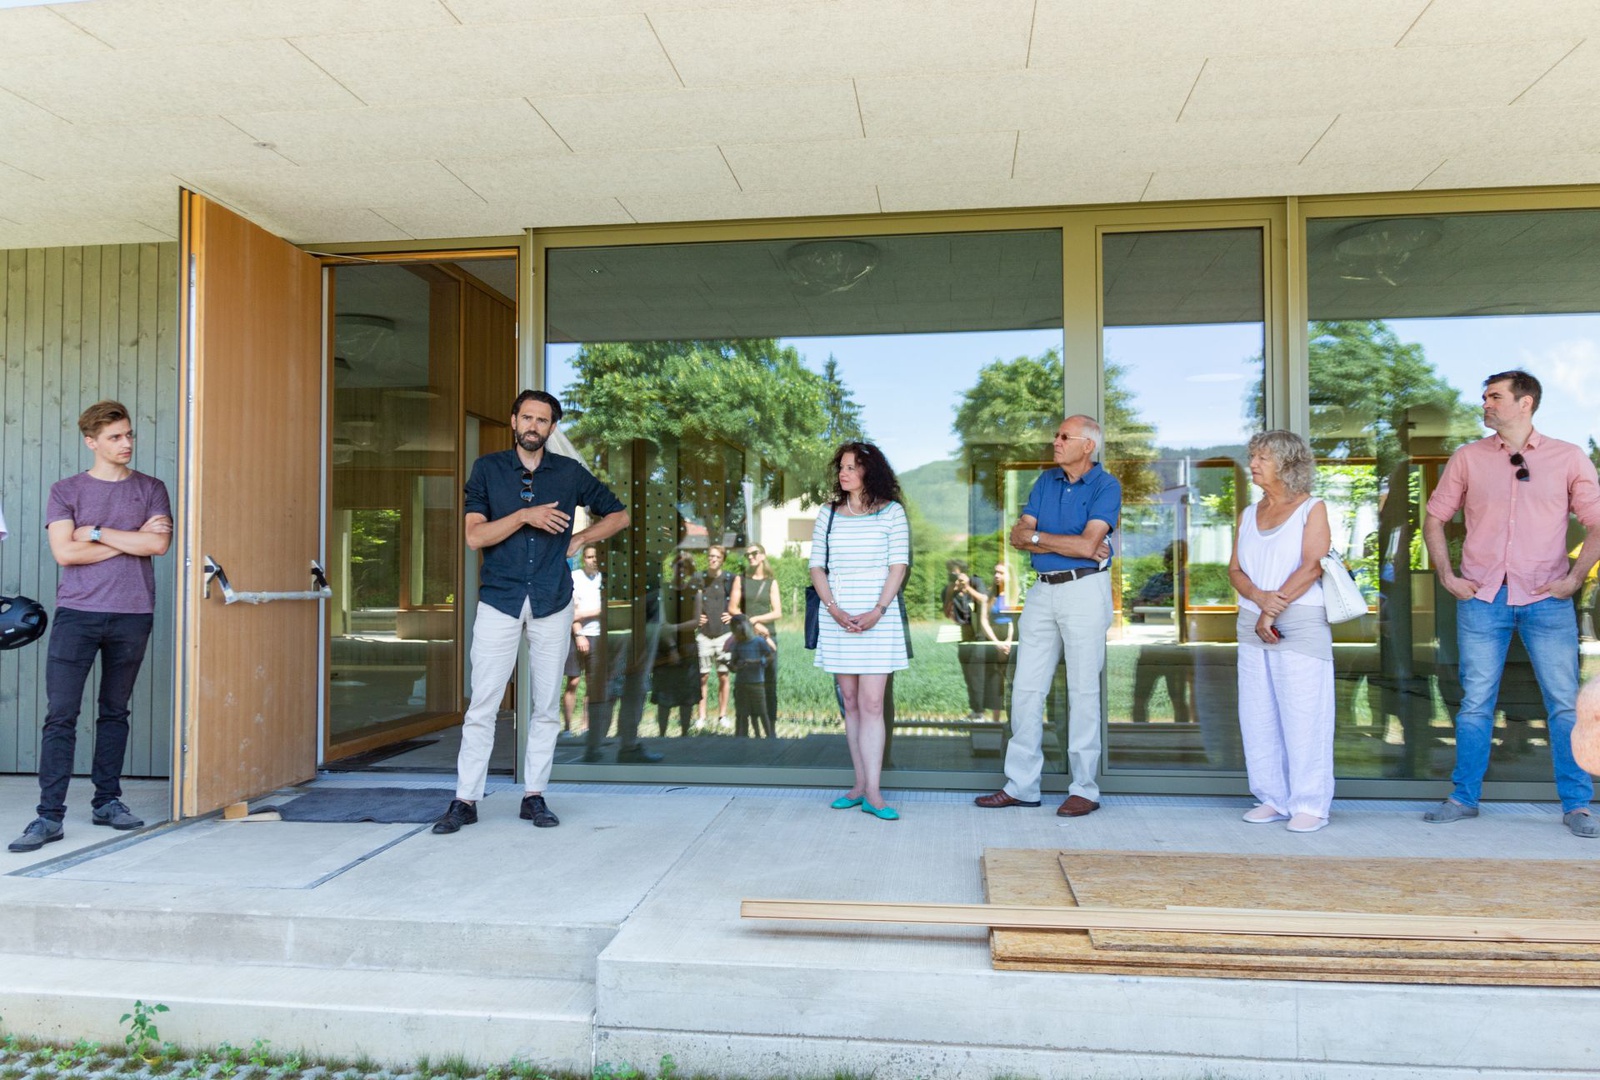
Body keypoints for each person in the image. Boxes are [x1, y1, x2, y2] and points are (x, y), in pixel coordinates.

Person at [433, 390, 630, 836]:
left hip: (552, 601)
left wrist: (581, 539)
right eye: (527, 417)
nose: (533, 426)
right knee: (483, 704)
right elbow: (475, 537)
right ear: (513, 421)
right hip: (499, 600)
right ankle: (465, 800)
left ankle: (534, 796)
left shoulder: (569, 473)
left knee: (545, 705)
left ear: (552, 428)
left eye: (543, 420)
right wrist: (525, 516)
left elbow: (618, 515)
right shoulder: (488, 469)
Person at [1421, 370, 1600, 838]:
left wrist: (1575, 578)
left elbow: (1597, 523)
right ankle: (1463, 798)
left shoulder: (1568, 457)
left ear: (1526, 403)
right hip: (1482, 599)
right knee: (1475, 704)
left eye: (1495, 396)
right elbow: (1434, 519)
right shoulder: (1468, 458)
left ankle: (1578, 805)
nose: (1485, 404)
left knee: (1564, 705)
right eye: (1485, 396)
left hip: (1547, 600)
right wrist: (1448, 576)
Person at [10, 401, 172, 854]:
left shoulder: (151, 488)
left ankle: (107, 802)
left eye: (129, 434)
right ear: (91, 442)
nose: (126, 443)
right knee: (61, 715)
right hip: (77, 615)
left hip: (133, 613)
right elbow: (65, 553)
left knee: (115, 711)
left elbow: (159, 544)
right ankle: (49, 816)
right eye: (115, 437)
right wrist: (132, 539)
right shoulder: (66, 490)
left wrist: (96, 532)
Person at [976, 415, 1119, 817]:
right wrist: (1059, 542)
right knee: (1025, 689)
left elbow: (1089, 545)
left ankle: (1085, 789)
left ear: (1088, 445)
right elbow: (1018, 536)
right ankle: (1021, 786)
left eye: (1064, 436)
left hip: (1085, 590)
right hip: (1042, 591)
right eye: (1056, 435)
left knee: (1083, 690)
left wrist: (1041, 539)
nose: (1055, 441)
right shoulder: (1045, 481)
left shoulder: (1107, 486)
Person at [1228, 430, 1336, 833]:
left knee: (1305, 714)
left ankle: (1310, 804)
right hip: (1252, 621)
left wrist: (1271, 609)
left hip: (1299, 621)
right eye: (1253, 456)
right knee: (1258, 716)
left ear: (1288, 464)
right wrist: (1259, 599)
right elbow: (1235, 570)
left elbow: (1312, 566)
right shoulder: (1247, 514)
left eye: (1263, 458)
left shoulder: (1312, 509)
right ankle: (1272, 798)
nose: (1253, 464)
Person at [810, 442, 910, 820]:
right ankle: (858, 786)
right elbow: (817, 567)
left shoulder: (892, 512)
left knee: (871, 704)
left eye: (852, 467)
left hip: (877, 615)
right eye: (842, 466)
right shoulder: (828, 513)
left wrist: (878, 610)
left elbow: (898, 566)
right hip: (837, 614)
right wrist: (833, 609)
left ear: (870, 471)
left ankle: (874, 794)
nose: (844, 472)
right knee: (850, 703)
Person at [653, 553, 702, 737]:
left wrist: (673, 628)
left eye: (685, 567)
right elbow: (661, 623)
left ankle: (684, 735)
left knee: (687, 696)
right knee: (664, 696)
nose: (681, 569)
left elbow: (695, 622)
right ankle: (662, 735)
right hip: (665, 648)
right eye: (678, 565)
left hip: (688, 648)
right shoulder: (663, 591)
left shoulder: (695, 592)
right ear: (672, 567)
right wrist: (672, 646)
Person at [737, 543, 783, 731]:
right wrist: (753, 625)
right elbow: (733, 608)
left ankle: (771, 729)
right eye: (747, 554)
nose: (750, 557)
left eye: (754, 553)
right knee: (748, 684)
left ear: (763, 556)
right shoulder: (741, 580)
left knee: (769, 684)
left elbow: (777, 612)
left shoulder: (771, 582)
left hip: (768, 637)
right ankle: (750, 729)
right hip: (747, 639)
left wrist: (756, 619)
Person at [695, 544, 740, 730]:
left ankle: (722, 716)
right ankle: (701, 717)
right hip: (704, 636)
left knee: (723, 676)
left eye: (717, 557)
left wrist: (733, 616)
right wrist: (695, 616)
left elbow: (742, 602)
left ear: (722, 560)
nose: (713, 559)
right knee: (702, 677)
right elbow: (689, 600)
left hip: (724, 635)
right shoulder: (699, 578)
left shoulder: (730, 579)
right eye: (711, 556)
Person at [562, 545, 603, 734]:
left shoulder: (604, 579)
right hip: (576, 636)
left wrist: (583, 613)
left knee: (592, 684)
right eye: (589, 557)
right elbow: (570, 610)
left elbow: (605, 609)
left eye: (596, 556)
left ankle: (586, 728)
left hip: (597, 635)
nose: (593, 560)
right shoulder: (575, 577)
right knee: (573, 681)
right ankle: (568, 729)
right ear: (583, 559)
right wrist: (579, 634)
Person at [943, 560, 988, 720]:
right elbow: (947, 613)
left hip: (979, 635)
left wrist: (967, 587)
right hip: (963, 636)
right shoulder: (950, 589)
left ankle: (980, 712)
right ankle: (975, 710)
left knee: (977, 675)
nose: (953, 576)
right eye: (950, 573)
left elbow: (984, 600)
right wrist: (951, 592)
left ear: (964, 572)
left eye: (956, 573)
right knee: (968, 675)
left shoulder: (975, 582)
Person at [724, 614, 775, 738]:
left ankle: (769, 737)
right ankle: (741, 737)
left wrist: (757, 661)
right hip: (741, 684)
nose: (738, 637)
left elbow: (770, 657)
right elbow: (733, 666)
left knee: (762, 712)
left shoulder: (759, 642)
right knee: (742, 714)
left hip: (757, 683)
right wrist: (731, 665)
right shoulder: (737, 644)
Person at [977, 562, 1015, 724]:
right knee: (995, 682)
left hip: (1011, 641)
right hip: (993, 640)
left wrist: (1009, 641)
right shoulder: (989, 595)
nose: (996, 576)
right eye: (995, 572)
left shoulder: (1015, 595)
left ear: (1009, 576)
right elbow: (983, 621)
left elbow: (1014, 620)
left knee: (1013, 681)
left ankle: (1013, 720)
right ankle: (996, 722)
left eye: (1001, 573)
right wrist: (997, 643)